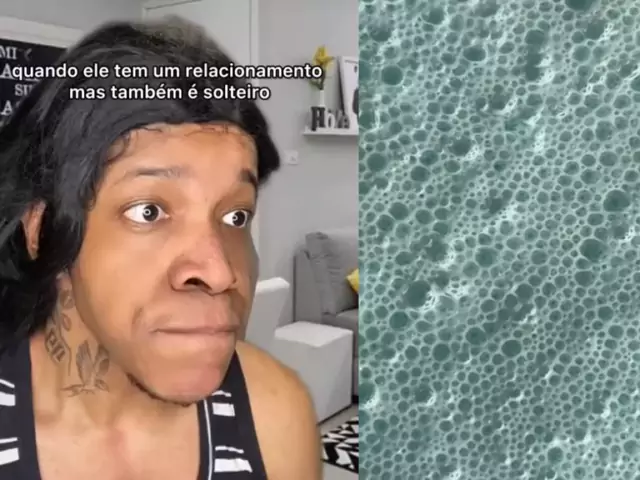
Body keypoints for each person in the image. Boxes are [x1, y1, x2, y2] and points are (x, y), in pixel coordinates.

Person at [0, 17, 321, 480]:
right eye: (148, 211)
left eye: (236, 216)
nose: (219, 272)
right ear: (43, 231)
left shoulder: (276, 414)